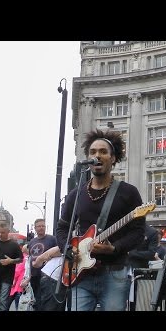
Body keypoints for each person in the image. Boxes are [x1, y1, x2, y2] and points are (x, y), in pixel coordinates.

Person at [56, 129, 145, 311]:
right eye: (93, 152)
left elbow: (138, 232)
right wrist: (67, 247)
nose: (97, 155)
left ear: (113, 158)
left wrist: (115, 248)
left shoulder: (128, 192)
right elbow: (62, 228)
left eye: (103, 152)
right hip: (80, 274)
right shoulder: (76, 195)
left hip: (114, 273)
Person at [21, 218, 57, 311]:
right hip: (34, 276)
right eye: (39, 226)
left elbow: (58, 253)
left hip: (47, 276)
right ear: (35, 228)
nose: (41, 228)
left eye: (43, 226)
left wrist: (49, 258)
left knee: (45, 302)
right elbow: (29, 255)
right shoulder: (32, 241)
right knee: (36, 302)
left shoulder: (52, 239)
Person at [0, 226, 23, 311]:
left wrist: (11, 261)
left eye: (3, 232)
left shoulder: (14, 245)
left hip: (7, 278)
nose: (0, 234)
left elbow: (20, 259)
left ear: (8, 232)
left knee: (3, 301)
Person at [32, 245, 66, 311]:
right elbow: (62, 248)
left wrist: (40, 259)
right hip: (54, 277)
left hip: (56, 277)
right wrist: (40, 259)